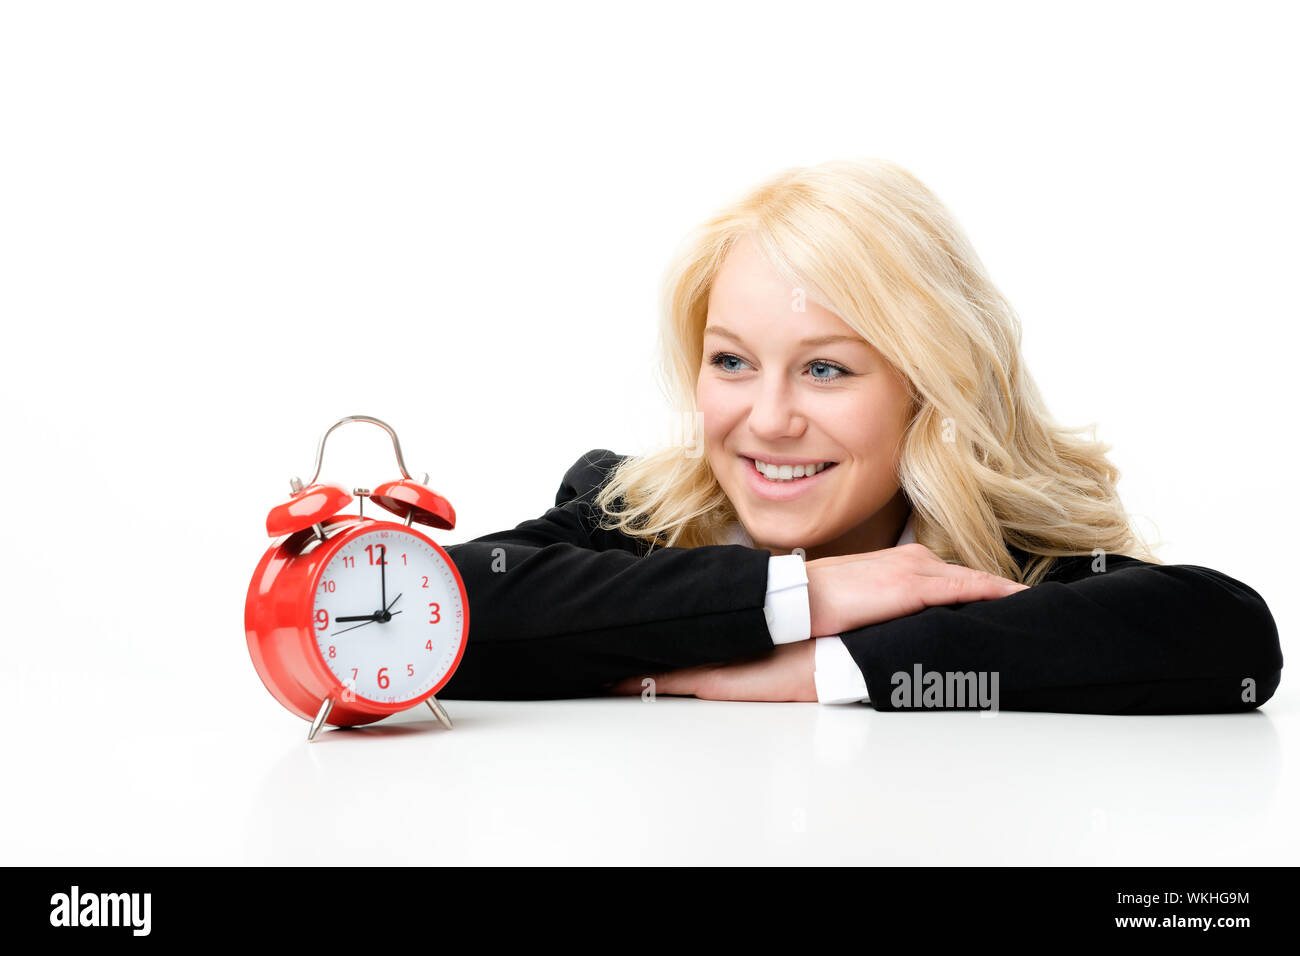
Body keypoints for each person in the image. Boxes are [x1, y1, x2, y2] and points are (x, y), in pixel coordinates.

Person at [437, 157, 1281, 713]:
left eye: (826, 370)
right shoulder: (628, 510)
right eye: (731, 361)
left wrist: (826, 669)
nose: (767, 419)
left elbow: (1230, 633)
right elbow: (447, 602)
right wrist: (801, 598)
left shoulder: (989, 557)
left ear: (929, 386)